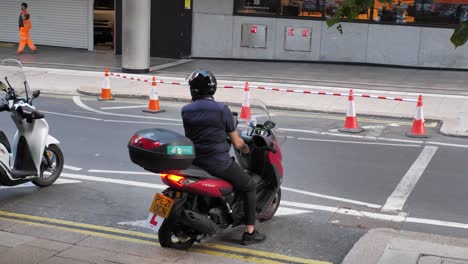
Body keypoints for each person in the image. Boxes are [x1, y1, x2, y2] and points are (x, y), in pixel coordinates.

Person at [181, 70, 267, 246]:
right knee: (249, 186)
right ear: (213, 89)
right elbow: (236, 142)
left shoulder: (186, 110)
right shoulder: (222, 110)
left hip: (194, 162)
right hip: (218, 163)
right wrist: (246, 149)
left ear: (193, 90)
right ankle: (249, 232)